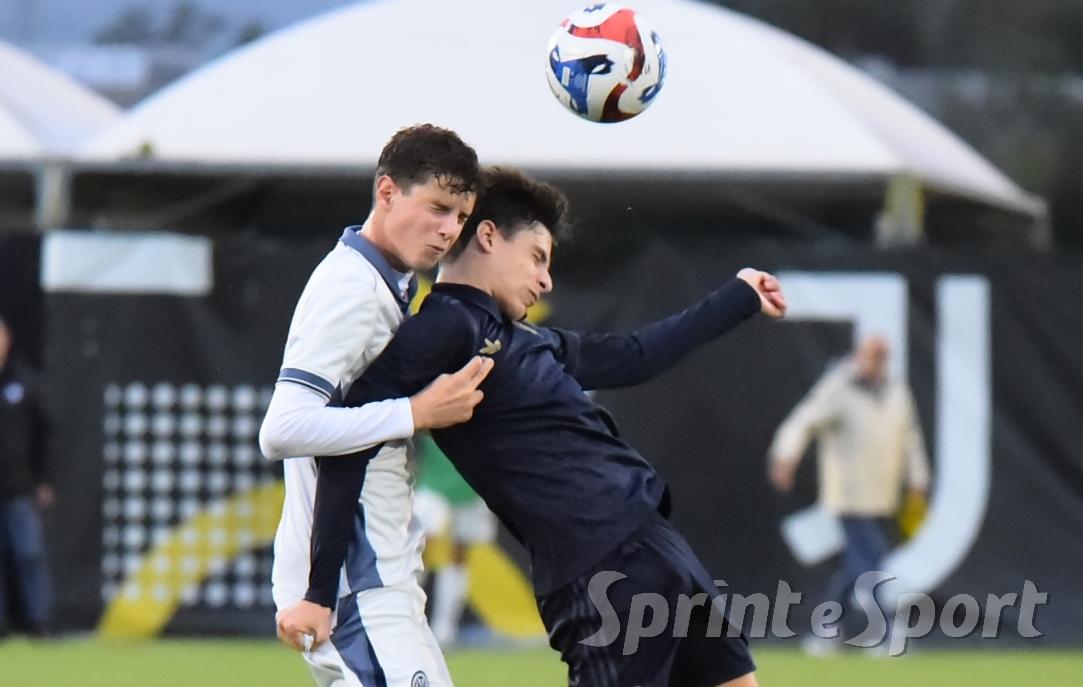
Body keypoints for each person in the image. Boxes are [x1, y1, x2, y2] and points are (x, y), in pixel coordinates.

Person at [305, 167, 787, 687]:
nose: (546, 279)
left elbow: (636, 356)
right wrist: (318, 593)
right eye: (537, 257)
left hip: (654, 546)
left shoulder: (526, 338)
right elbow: (345, 437)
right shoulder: (445, 326)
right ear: (488, 236)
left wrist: (739, 296)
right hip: (602, 566)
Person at [258, 124, 495, 687]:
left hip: (376, 581)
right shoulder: (352, 288)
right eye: (437, 208)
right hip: (353, 587)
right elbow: (282, 429)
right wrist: (415, 412)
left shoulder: (384, 282)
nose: (449, 230)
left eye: (460, 217)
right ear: (387, 192)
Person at [767, 335, 930, 650]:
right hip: (848, 495)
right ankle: (885, 630)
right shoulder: (840, 387)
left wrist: (917, 478)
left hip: (881, 496)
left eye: (883, 356)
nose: (877, 362)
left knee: (856, 565)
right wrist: (785, 456)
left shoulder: (895, 391)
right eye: (872, 355)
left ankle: (826, 628)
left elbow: (910, 438)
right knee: (872, 557)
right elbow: (802, 422)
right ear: (860, 355)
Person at [411, 434, 498, 646]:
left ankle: (445, 630)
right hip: (434, 484)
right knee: (419, 551)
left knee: (459, 556)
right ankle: (407, 621)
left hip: (470, 488)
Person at [0, 317, 53, 638]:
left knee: (29, 552)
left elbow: (43, 436)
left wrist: (43, 478)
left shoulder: (25, 384)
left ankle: (38, 621)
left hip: (18, 486)